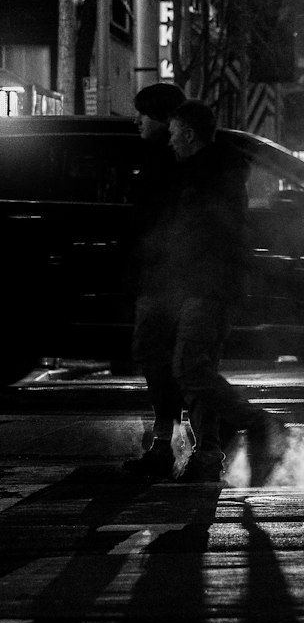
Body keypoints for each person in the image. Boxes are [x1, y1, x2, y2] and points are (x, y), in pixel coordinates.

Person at [127, 98, 288, 485]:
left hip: (206, 286)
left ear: (187, 133)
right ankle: (223, 443)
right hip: (197, 285)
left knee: (190, 368)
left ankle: (256, 425)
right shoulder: (205, 171)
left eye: (174, 135)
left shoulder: (208, 176)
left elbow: (207, 235)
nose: (169, 143)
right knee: (187, 367)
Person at [120, 82, 187, 478]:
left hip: (162, 277)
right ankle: (179, 439)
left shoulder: (164, 162)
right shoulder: (167, 158)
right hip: (160, 275)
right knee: (169, 361)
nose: (136, 121)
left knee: (157, 357)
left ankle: (168, 442)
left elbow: (150, 222)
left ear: (162, 119)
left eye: (143, 114)